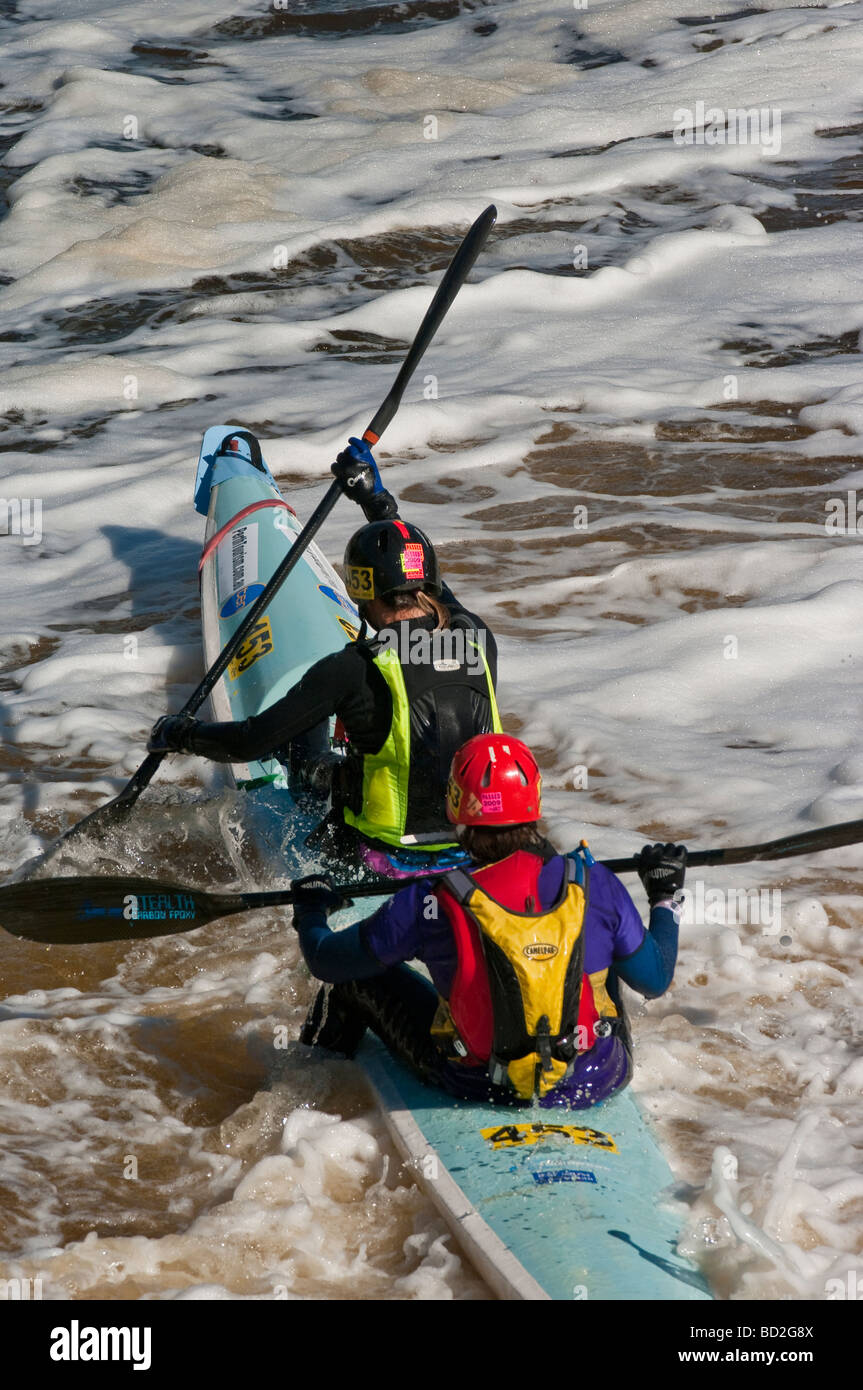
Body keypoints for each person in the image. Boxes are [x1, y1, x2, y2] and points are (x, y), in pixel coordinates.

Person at [148, 439, 500, 873]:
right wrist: (376, 500)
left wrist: (181, 733)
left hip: (379, 857)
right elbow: (441, 595)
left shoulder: (355, 667)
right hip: (472, 846)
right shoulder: (477, 641)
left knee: (310, 759)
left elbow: (249, 742)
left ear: (360, 591)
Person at [290, 733, 687, 1110]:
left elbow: (326, 961)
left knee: (358, 978)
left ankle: (309, 1083)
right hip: (594, 1076)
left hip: (476, 1082)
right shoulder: (595, 882)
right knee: (603, 952)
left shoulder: (430, 898)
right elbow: (655, 980)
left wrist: (311, 909)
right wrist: (664, 895)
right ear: (534, 802)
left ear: (455, 805)